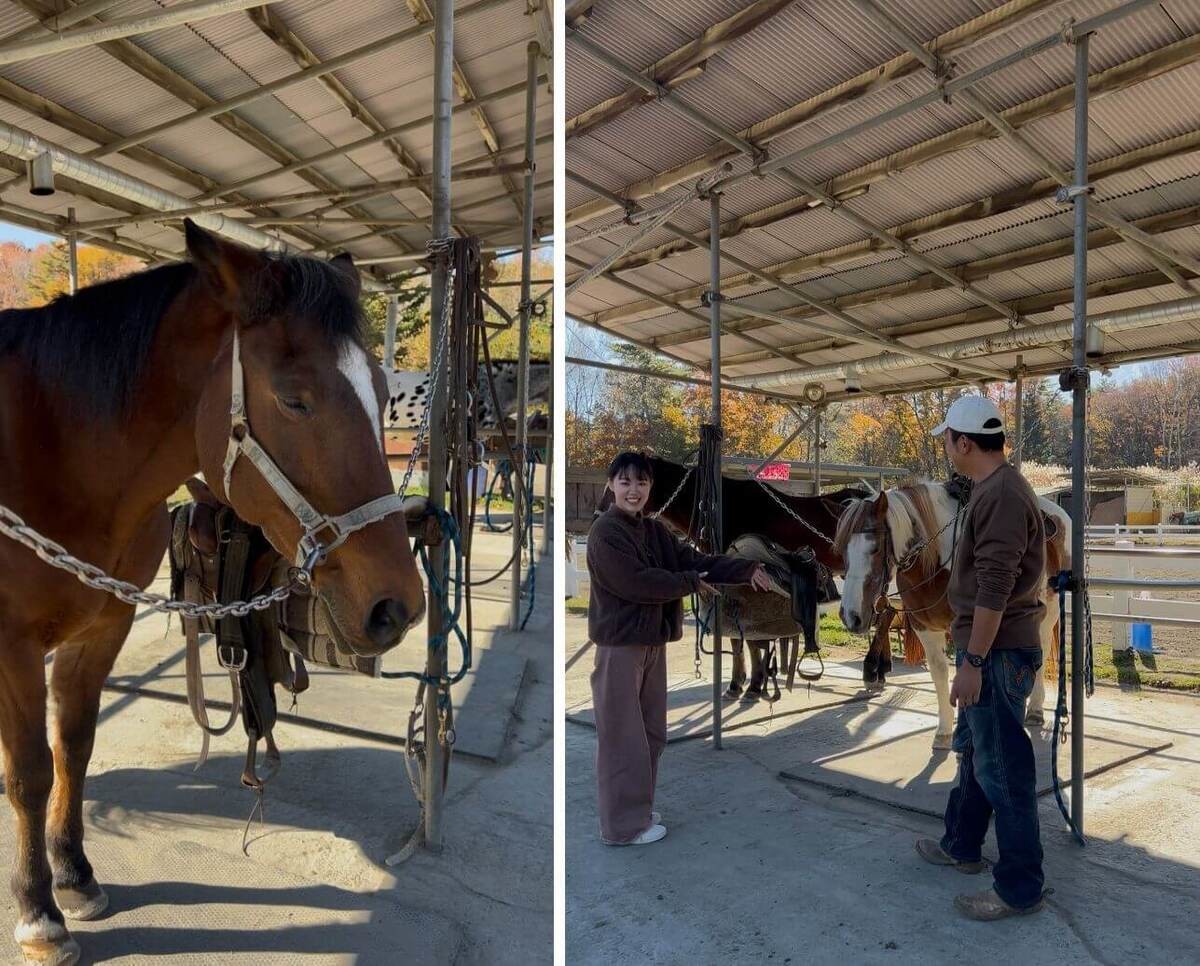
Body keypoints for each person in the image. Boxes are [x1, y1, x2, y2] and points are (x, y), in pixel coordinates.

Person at [586, 451, 770, 846]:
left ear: (650, 487)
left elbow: (697, 561)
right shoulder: (605, 533)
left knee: (651, 733)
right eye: (625, 482)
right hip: (621, 647)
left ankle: (638, 812)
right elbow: (637, 582)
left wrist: (747, 569)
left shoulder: (654, 531)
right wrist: (688, 582)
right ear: (611, 485)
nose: (633, 490)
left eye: (641, 482)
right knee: (623, 738)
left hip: (653, 643)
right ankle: (622, 828)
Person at [915, 395, 1048, 920]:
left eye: (948, 440)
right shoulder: (994, 488)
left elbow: (995, 587)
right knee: (975, 751)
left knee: (1003, 769)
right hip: (991, 648)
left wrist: (971, 663)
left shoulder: (1003, 495)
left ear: (964, 443)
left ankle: (1019, 887)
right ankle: (961, 844)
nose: (947, 449)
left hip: (996, 653)